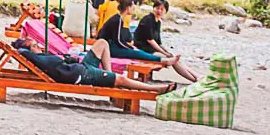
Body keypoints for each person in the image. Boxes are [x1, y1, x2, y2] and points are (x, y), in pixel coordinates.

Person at [13, 36, 175, 94]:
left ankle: (110, 77)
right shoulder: (37, 59)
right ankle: (156, 89)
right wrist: (23, 46)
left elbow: (63, 61)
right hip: (83, 75)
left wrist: (72, 58)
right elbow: (21, 51)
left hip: (82, 66)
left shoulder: (42, 56)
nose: (39, 46)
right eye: (35, 45)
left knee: (102, 43)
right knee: (122, 80)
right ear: (30, 49)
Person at [97, 0, 180, 70]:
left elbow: (119, 39)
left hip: (112, 45)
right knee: (138, 53)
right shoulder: (118, 20)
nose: (134, 9)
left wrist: (130, 46)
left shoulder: (120, 19)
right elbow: (118, 40)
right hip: (109, 48)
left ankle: (163, 60)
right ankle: (163, 60)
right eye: (133, 7)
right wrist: (130, 48)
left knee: (138, 51)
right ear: (128, 8)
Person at [134, 0, 199, 82]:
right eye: (157, 8)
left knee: (173, 57)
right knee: (173, 60)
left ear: (165, 11)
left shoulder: (157, 22)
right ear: (153, 8)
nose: (159, 11)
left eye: (162, 9)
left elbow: (159, 42)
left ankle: (196, 76)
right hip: (144, 49)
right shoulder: (148, 19)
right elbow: (150, 40)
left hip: (151, 49)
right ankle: (194, 79)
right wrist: (165, 53)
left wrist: (168, 52)